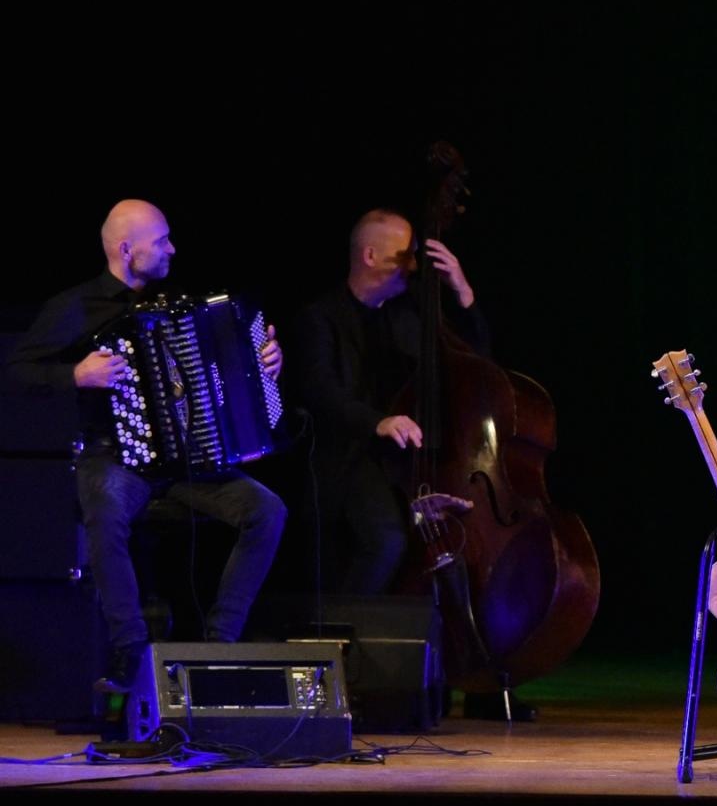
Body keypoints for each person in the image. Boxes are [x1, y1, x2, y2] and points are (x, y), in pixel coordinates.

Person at [4, 199, 287, 693]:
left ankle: (219, 647)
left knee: (267, 510)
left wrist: (263, 363)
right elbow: (16, 372)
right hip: (113, 455)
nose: (172, 249)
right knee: (106, 509)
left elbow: (227, 369)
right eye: (162, 241)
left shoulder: (176, 307)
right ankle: (129, 653)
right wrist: (74, 374)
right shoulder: (74, 308)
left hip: (183, 465)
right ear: (126, 249)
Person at [292, 208, 488, 596]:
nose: (415, 267)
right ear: (369, 256)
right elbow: (319, 391)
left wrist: (462, 291)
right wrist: (377, 421)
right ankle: (343, 636)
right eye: (406, 255)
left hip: (413, 456)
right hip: (354, 455)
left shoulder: (413, 312)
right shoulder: (319, 318)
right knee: (385, 540)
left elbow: (475, 365)